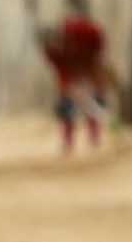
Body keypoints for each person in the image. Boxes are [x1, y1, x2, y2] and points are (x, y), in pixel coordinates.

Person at [42, 11, 109, 154]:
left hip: (88, 74)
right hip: (72, 78)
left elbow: (97, 50)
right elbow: (58, 66)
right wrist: (69, 86)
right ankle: (70, 142)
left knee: (91, 107)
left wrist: (93, 78)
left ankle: (93, 139)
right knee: (69, 109)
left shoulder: (84, 34)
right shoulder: (55, 50)